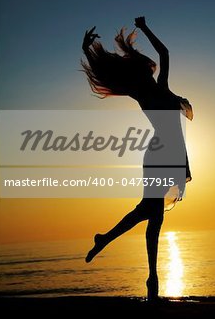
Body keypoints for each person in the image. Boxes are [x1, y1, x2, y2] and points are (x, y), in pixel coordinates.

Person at [82, 17, 193, 300]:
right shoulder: (154, 89)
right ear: (141, 73)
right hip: (163, 152)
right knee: (150, 214)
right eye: (145, 69)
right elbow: (164, 54)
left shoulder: (152, 89)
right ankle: (150, 279)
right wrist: (143, 28)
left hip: (165, 151)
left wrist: (143, 29)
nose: (148, 69)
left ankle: (120, 252)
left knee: (150, 215)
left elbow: (164, 55)